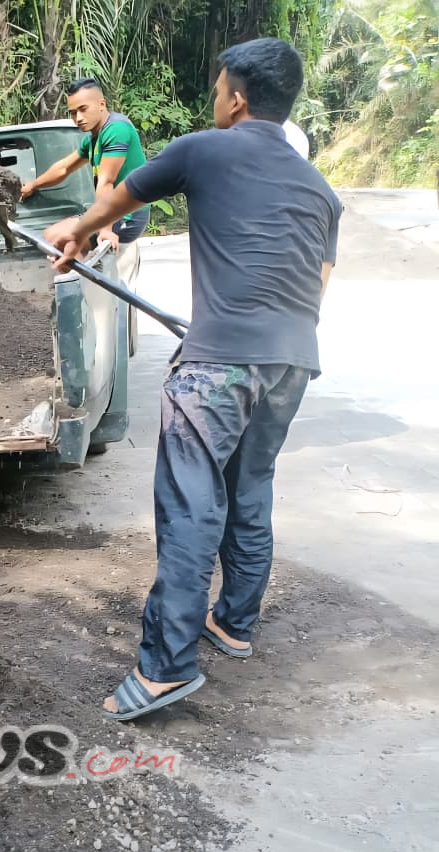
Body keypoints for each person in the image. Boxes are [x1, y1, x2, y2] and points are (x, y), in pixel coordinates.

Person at [48, 38, 343, 721]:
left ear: (236, 99)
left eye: (217, 90)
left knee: (190, 506)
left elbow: (116, 201)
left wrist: (75, 232)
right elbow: (312, 292)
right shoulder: (322, 192)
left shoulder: (202, 150)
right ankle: (234, 622)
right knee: (251, 488)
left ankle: (166, 667)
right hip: (292, 362)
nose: (214, 101)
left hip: (216, 367)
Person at [22, 77, 149, 290]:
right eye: (73, 113)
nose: (78, 118)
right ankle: (81, 287)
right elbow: (63, 168)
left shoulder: (116, 130)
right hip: (112, 211)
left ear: (102, 104)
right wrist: (33, 185)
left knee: (58, 239)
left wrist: (105, 229)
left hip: (127, 215)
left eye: (83, 109)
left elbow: (106, 182)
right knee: (51, 238)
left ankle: (86, 293)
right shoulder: (92, 139)